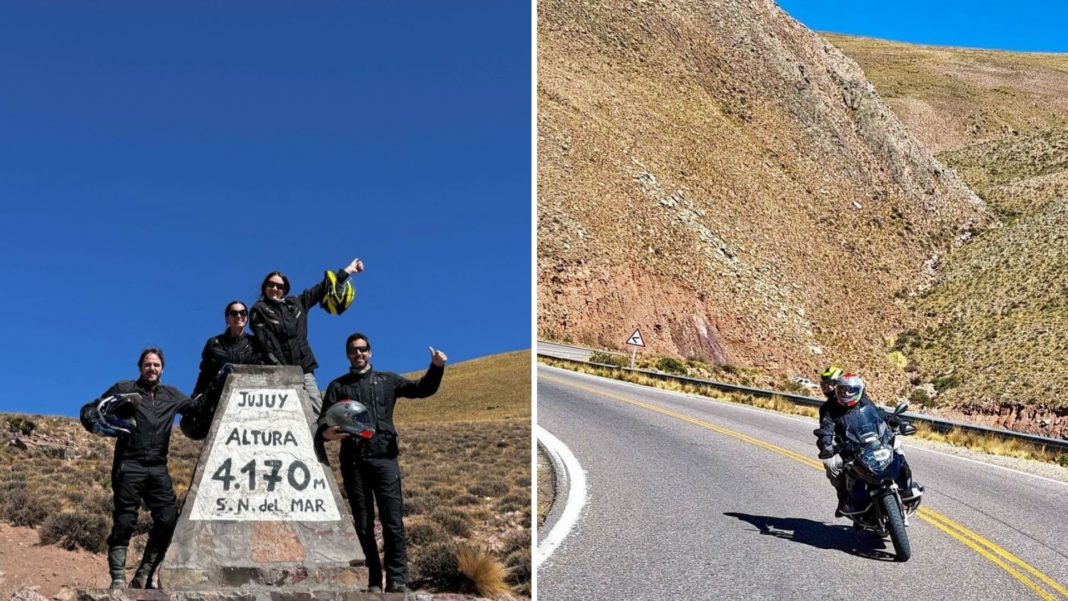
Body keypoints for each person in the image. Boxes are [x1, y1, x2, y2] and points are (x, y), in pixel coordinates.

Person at [317, 333, 447, 594]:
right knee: (363, 523)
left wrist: (436, 368)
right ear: (347, 355)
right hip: (353, 462)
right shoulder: (337, 386)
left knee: (392, 520)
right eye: (353, 350)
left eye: (363, 349)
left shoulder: (387, 380)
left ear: (370, 352)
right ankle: (373, 580)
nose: (359, 354)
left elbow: (422, 389)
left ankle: (398, 579)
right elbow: (324, 424)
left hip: (385, 458)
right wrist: (329, 434)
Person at [79, 348, 212, 589]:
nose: (152, 368)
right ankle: (118, 579)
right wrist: (95, 422)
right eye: (148, 364)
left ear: (162, 369)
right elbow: (93, 409)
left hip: (158, 467)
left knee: (168, 518)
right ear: (140, 367)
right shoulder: (124, 389)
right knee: (125, 521)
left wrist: (219, 381)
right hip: (129, 464)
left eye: (156, 365)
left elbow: (197, 408)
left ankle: (144, 573)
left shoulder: (171, 395)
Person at [250, 259, 363, 416]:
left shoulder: (296, 303)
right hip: (277, 370)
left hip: (304, 368)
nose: (275, 288)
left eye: (280, 286)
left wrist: (348, 271)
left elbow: (322, 288)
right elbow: (266, 342)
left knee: (316, 410)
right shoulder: (259, 309)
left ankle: (316, 440)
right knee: (282, 413)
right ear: (265, 287)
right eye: (271, 285)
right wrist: (280, 367)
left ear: (285, 289)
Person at [814, 372, 895, 516]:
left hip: (872, 440)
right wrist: (826, 445)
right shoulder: (828, 408)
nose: (846, 393)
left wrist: (893, 420)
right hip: (849, 448)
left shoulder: (863, 400)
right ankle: (843, 497)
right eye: (843, 390)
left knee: (898, 447)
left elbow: (877, 413)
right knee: (831, 464)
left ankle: (906, 488)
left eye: (849, 390)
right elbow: (826, 430)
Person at [180, 301, 265, 439]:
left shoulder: (256, 344)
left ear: (247, 318)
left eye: (243, 313)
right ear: (227, 318)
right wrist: (195, 400)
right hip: (216, 401)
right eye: (234, 313)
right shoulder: (214, 343)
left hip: (245, 403)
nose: (239, 316)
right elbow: (204, 375)